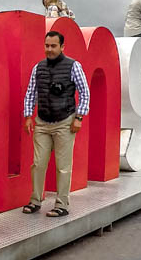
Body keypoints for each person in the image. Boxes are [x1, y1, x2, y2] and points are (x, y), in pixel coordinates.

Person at [22, 31, 90, 218]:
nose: (49, 49)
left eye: (53, 46)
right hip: (42, 122)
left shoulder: (73, 66)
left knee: (63, 166)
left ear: (62, 47)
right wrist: (28, 116)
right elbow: (31, 93)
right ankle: (35, 200)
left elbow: (85, 92)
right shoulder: (38, 68)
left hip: (65, 122)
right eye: (47, 46)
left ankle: (62, 205)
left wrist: (79, 118)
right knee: (38, 163)